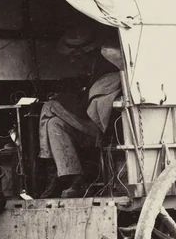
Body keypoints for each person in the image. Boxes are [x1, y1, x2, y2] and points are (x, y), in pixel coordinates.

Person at [37, 25, 125, 198]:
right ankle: (74, 178)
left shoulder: (106, 67)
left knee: (49, 107)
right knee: (53, 123)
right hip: (92, 127)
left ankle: (51, 170)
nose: (74, 58)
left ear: (85, 51)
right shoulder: (92, 67)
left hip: (101, 130)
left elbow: (86, 108)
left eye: (76, 54)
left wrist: (61, 99)